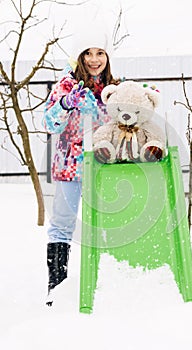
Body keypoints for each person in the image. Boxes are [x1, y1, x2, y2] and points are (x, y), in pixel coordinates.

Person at [43, 34, 120, 305]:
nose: (94, 59)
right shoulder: (66, 85)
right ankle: (57, 290)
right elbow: (50, 124)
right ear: (80, 56)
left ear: (108, 57)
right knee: (62, 226)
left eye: (100, 53)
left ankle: (104, 289)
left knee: (107, 226)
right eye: (89, 53)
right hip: (68, 166)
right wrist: (66, 104)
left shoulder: (115, 87)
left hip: (103, 167)